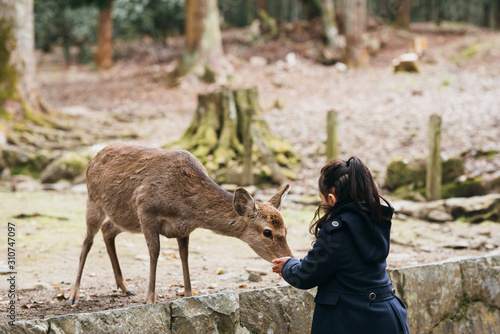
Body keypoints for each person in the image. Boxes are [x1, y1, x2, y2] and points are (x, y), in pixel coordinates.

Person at [272, 157, 410, 334]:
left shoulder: (337, 232)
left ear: (331, 198)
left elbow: (305, 275)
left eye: (321, 200)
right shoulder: (376, 221)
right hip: (389, 316)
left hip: (354, 321)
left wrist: (288, 266)